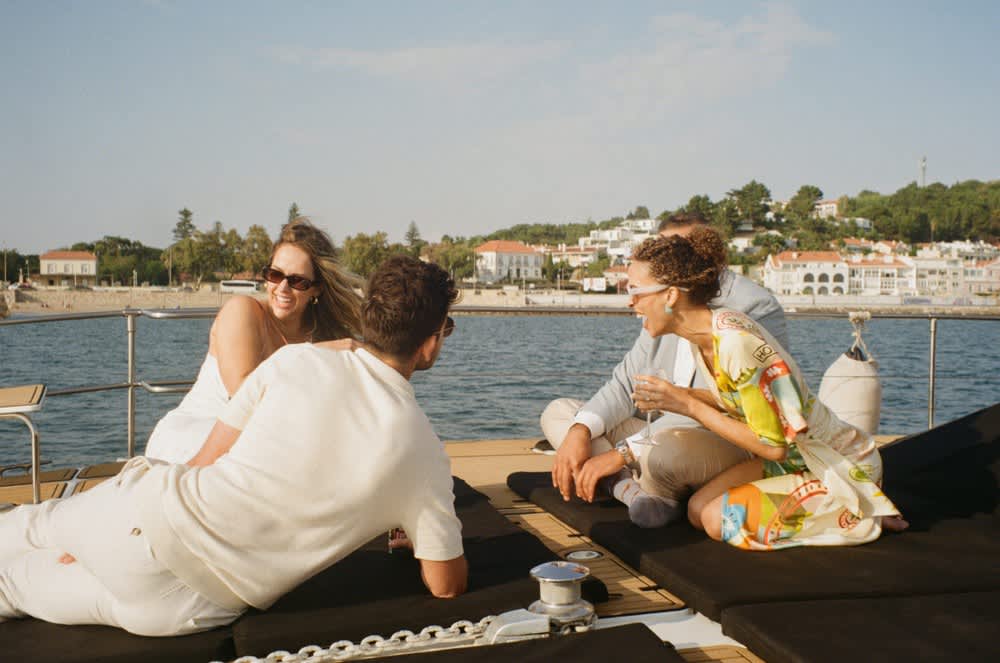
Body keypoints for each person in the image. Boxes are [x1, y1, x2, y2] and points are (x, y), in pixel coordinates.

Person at [0, 255, 467, 635]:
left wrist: (96, 536)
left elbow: (205, 458)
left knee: (27, 529)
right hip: (184, 607)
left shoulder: (294, 361)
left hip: (143, 518)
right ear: (429, 343)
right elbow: (445, 586)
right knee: (13, 590)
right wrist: (419, 531)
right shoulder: (423, 453)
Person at [575, 229, 906, 549]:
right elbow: (741, 402)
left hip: (831, 463)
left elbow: (773, 445)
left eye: (636, 291)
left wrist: (689, 406)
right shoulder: (704, 335)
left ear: (671, 295)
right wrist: (682, 396)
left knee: (718, 519)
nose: (631, 303)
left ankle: (860, 510)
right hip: (790, 457)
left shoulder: (735, 344)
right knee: (696, 512)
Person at [545, 211, 788, 527]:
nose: (669, 257)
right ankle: (633, 492)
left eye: (678, 248)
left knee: (663, 456)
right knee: (562, 414)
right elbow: (624, 384)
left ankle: (624, 478)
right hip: (658, 429)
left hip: (722, 437)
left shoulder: (746, 313)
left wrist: (622, 453)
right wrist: (582, 431)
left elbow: (719, 406)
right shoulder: (660, 305)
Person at [144, 217, 363, 464]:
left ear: (317, 289)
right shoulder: (242, 312)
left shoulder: (322, 334)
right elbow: (245, 398)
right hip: (198, 435)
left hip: (266, 437)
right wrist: (313, 353)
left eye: (297, 281)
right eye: (274, 274)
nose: (282, 288)